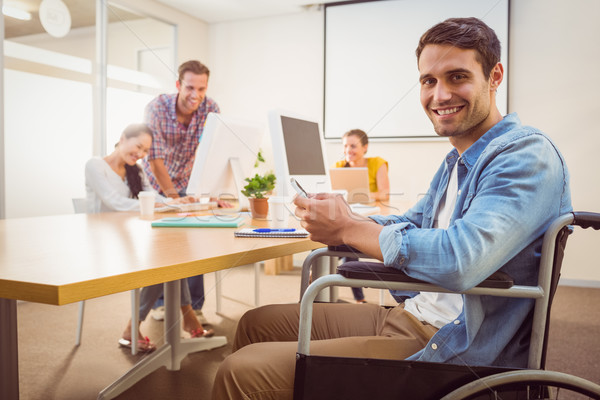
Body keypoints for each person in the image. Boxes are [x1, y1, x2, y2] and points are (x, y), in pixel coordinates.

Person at [211, 17, 572, 399]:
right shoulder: (458, 160)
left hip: (453, 344)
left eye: (457, 77)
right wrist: (344, 219)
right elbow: (410, 222)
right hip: (414, 313)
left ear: (494, 76)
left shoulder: (525, 155)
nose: (440, 94)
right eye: (428, 81)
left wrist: (349, 230)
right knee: (255, 323)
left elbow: (460, 259)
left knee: (241, 372)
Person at [85, 123, 214, 353]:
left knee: (171, 254)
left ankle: (150, 323)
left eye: (146, 151)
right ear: (123, 138)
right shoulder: (95, 165)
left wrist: (174, 201)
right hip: (104, 239)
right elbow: (114, 202)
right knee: (162, 258)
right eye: (139, 147)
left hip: (130, 235)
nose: (141, 154)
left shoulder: (136, 169)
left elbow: (151, 196)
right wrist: (157, 203)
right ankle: (184, 316)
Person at [141, 60, 221, 322]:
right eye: (189, 87)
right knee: (164, 243)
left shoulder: (211, 109)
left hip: (188, 180)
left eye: (201, 88)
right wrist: (174, 199)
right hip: (157, 183)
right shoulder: (156, 108)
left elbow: (212, 152)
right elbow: (155, 159)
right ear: (178, 85)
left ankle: (194, 307)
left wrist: (210, 190)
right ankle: (162, 303)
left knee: (194, 238)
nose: (195, 95)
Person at [334, 129, 390, 303]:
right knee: (332, 236)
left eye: (353, 146)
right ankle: (318, 275)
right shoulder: (339, 166)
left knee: (349, 238)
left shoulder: (377, 163)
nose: (348, 150)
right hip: (347, 212)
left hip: (370, 214)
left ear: (365, 147)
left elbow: (385, 193)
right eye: (345, 146)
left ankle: (358, 297)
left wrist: (362, 195)